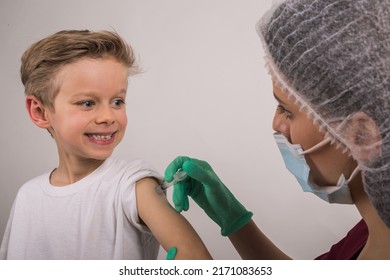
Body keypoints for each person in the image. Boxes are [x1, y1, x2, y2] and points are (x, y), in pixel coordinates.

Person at [165, 0, 390, 259]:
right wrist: (235, 220)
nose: (276, 124)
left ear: (362, 135)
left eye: (286, 110)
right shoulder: (365, 234)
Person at [0, 30, 212, 260]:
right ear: (40, 112)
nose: (107, 116)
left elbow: (196, 260)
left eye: (117, 101)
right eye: (88, 103)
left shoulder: (132, 185)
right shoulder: (27, 197)